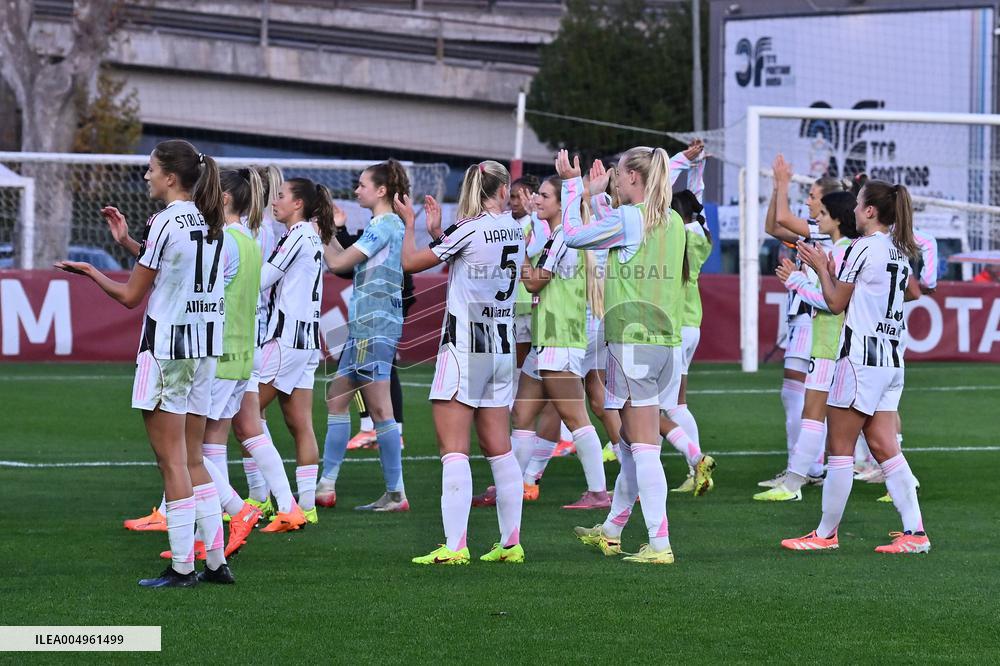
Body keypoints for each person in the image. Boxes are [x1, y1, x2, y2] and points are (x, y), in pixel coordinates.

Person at [57, 140, 233, 586]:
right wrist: (127, 243)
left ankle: (181, 567)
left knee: (171, 460)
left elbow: (132, 297)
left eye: (151, 169)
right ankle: (215, 563)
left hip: (168, 347)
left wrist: (93, 273)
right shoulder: (212, 220)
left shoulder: (164, 221)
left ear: (171, 177)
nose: (146, 176)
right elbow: (174, 266)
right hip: (204, 347)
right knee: (193, 458)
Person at [782, 179, 929, 554]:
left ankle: (825, 534)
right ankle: (915, 532)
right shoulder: (899, 248)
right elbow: (905, 292)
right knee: (883, 444)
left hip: (860, 357)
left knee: (840, 448)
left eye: (858, 204)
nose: (853, 211)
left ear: (869, 211)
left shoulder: (864, 247)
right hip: (892, 358)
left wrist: (819, 266)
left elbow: (834, 303)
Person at [560, 146, 689, 564]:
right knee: (633, 444)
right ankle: (613, 528)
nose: (615, 179)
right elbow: (614, 237)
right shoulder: (672, 221)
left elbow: (574, 236)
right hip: (663, 344)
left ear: (634, 177)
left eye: (618, 174)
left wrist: (571, 189)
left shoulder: (633, 218)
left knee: (643, 446)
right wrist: (597, 198)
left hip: (632, 342)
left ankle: (660, 543)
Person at [396, 160, 527, 565]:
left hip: (466, 345)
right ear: (503, 190)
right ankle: (511, 544)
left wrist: (410, 225)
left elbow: (411, 263)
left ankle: (455, 547)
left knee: (453, 449)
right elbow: (472, 261)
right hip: (501, 346)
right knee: (499, 449)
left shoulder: (468, 227)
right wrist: (441, 234)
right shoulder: (516, 229)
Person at [316, 159, 409, 512]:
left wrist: (320, 232)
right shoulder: (384, 225)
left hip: (374, 325)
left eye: (362, 184)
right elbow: (345, 261)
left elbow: (337, 264)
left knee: (381, 409)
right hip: (366, 325)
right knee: (338, 398)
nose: (357, 190)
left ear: (381, 190)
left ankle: (396, 493)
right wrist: (328, 232)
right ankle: (326, 486)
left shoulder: (384, 225)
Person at [754, 190, 860, 501]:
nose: (818, 219)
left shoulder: (840, 254)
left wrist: (796, 281)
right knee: (857, 427)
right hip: (842, 344)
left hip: (830, 342)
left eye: (824, 214)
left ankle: (794, 484)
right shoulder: (849, 251)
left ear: (838, 220)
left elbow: (832, 303)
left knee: (814, 415)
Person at [514, 175, 610, 510]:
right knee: (522, 414)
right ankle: (515, 484)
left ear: (558, 204)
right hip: (547, 338)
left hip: (560, 338)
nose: (535, 200)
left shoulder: (564, 241)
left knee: (576, 418)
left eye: (542, 195)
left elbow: (534, 283)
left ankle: (598, 492)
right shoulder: (554, 236)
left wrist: (520, 256)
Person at [255, 177, 334, 531]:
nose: (275, 201)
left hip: (286, 339)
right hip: (305, 341)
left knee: (245, 413)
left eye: (282, 196)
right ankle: (304, 505)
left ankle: (275, 501)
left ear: (298, 204)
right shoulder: (310, 235)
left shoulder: (299, 235)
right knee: (300, 424)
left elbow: (263, 279)